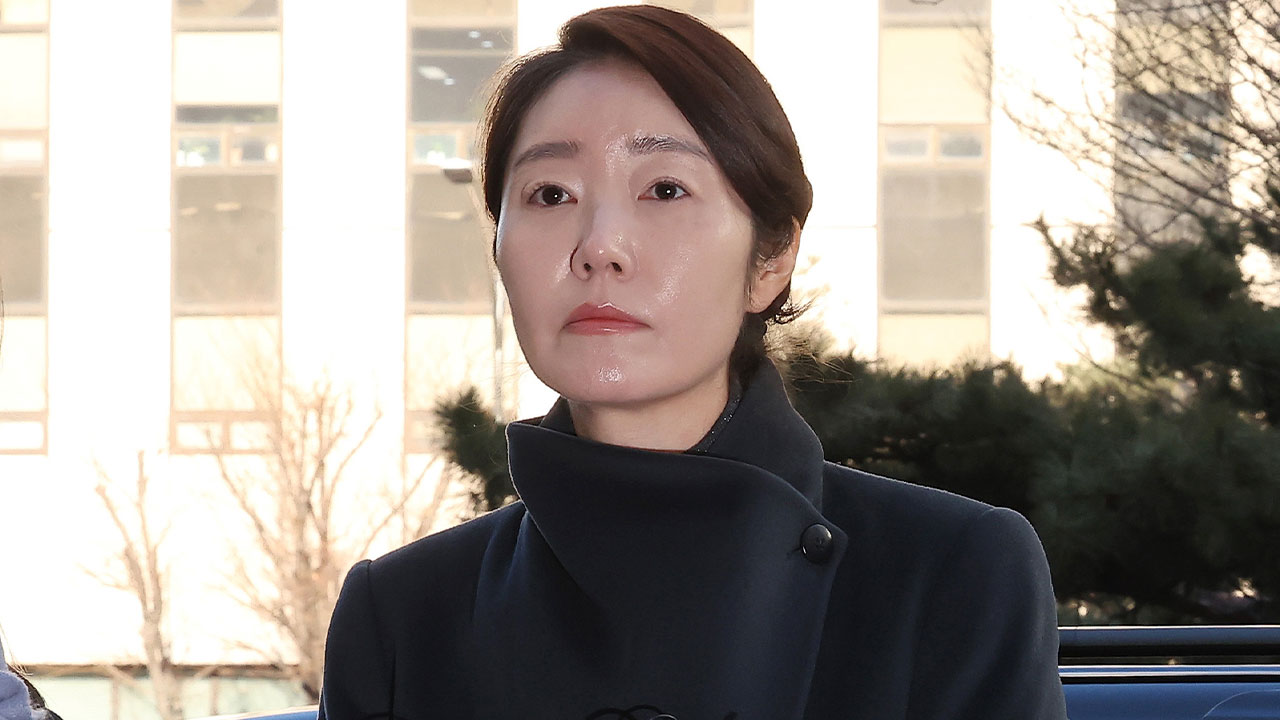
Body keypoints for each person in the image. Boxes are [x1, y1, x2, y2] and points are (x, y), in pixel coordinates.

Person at [318, 5, 1068, 719]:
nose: (600, 247)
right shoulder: (403, 616)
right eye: (550, 194)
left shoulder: (949, 571)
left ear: (772, 258)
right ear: (498, 247)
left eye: (665, 189)